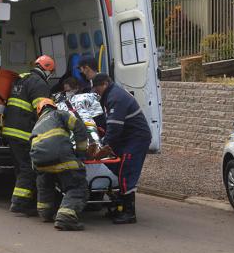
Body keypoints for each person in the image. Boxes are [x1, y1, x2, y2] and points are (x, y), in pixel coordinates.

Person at [92, 73, 152, 224]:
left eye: (97, 88)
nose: (96, 92)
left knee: (126, 170)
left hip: (136, 139)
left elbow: (114, 128)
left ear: (105, 84)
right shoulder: (111, 95)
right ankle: (119, 206)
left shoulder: (115, 98)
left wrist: (103, 146)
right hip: (128, 138)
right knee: (117, 167)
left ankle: (129, 213)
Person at [2, 55, 55, 216]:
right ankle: (19, 203)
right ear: (47, 70)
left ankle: (23, 200)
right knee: (28, 169)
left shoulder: (21, 78)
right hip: (24, 132)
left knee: (20, 168)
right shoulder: (40, 84)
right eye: (51, 72)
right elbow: (43, 111)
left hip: (10, 130)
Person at [29, 98, 90, 231]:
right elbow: (79, 127)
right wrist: (81, 153)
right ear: (53, 107)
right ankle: (66, 218)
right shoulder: (59, 114)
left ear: (39, 112)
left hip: (39, 162)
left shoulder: (37, 125)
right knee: (77, 186)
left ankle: (45, 212)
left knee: (45, 182)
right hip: (60, 155)